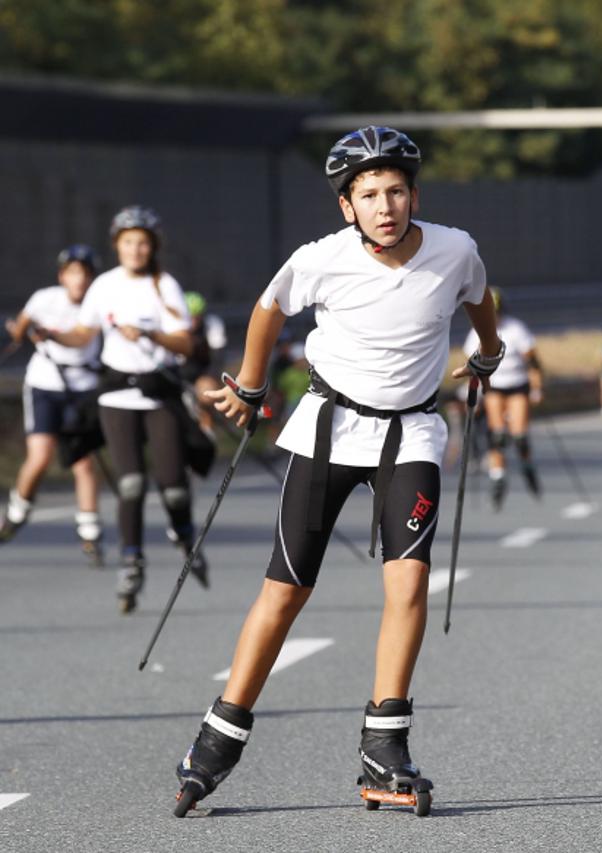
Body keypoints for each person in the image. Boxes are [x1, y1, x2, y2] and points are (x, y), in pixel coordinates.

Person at [169, 126, 503, 816]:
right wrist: (252, 386)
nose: (386, 205)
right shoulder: (320, 259)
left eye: (396, 190)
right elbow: (269, 308)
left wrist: (488, 352)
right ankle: (217, 737)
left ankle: (385, 745)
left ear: (415, 195)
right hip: (327, 430)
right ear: (347, 206)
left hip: (410, 432)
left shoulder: (453, 249)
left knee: (409, 579)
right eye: (369, 194)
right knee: (286, 590)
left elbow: (480, 297)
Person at [40, 207, 210, 613]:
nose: (136, 249)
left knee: (171, 483)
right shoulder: (104, 286)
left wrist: (151, 333)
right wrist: (53, 335)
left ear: (153, 247)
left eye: (143, 243)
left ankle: (185, 534)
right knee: (130, 483)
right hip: (116, 396)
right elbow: (84, 333)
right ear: (117, 245)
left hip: (157, 393)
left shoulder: (164, 285)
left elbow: (187, 344)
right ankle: (130, 560)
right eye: (128, 242)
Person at [0, 245, 103, 562]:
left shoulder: (99, 304)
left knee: (83, 462)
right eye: (73, 272)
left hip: (84, 386)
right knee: (41, 456)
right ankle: (18, 511)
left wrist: (53, 335)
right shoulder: (45, 298)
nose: (80, 280)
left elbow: (85, 338)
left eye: (85, 273)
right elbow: (19, 328)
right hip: (45, 384)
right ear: (62, 276)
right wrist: (20, 331)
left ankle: (90, 533)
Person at [463, 287, 543, 511]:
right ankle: (498, 478)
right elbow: (472, 364)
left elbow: (533, 361)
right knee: (496, 436)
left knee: (519, 436)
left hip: (517, 385)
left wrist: (537, 387)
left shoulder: (516, 329)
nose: (494, 317)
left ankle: (527, 467)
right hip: (494, 387)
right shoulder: (476, 333)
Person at [179, 291, 228, 433]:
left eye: (196, 317)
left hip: (202, 373)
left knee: (207, 391)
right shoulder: (174, 327)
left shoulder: (212, 325)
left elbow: (218, 357)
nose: (192, 321)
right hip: (180, 374)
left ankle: (207, 431)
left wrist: (210, 378)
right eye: (189, 317)